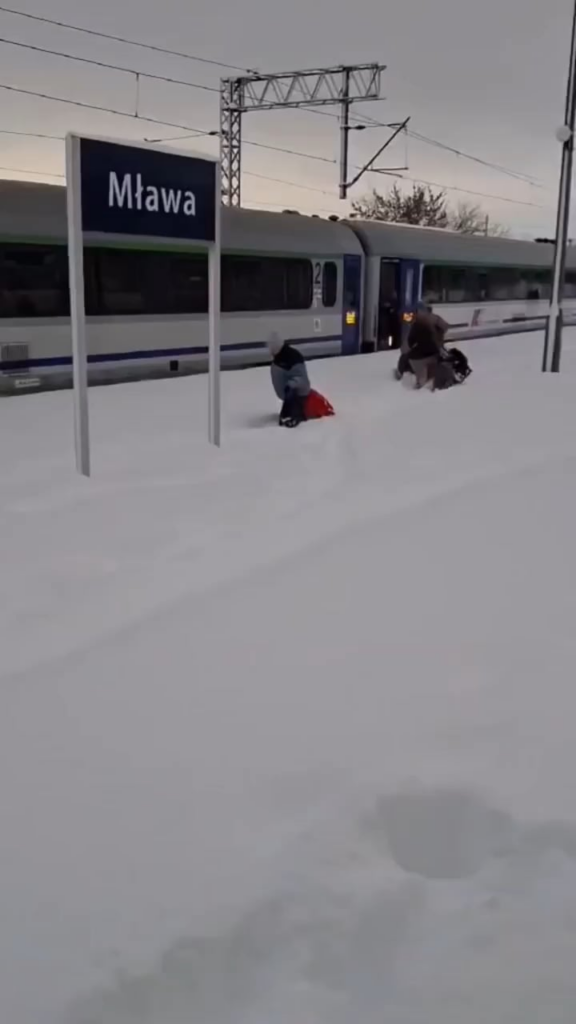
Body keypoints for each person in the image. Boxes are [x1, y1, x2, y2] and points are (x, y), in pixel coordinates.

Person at [396, 302, 450, 388]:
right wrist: (440, 337)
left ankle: (420, 380)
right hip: (437, 350)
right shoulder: (434, 318)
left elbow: (409, 343)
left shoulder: (417, 325)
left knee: (414, 359)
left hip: (426, 352)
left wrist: (404, 352)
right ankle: (428, 375)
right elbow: (446, 326)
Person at [267, 332, 311, 427]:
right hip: (288, 392)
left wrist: (291, 384)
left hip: (299, 392)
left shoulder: (293, 357)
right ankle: (288, 413)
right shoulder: (279, 357)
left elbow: (302, 379)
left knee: (292, 394)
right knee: (290, 394)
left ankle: (294, 416)